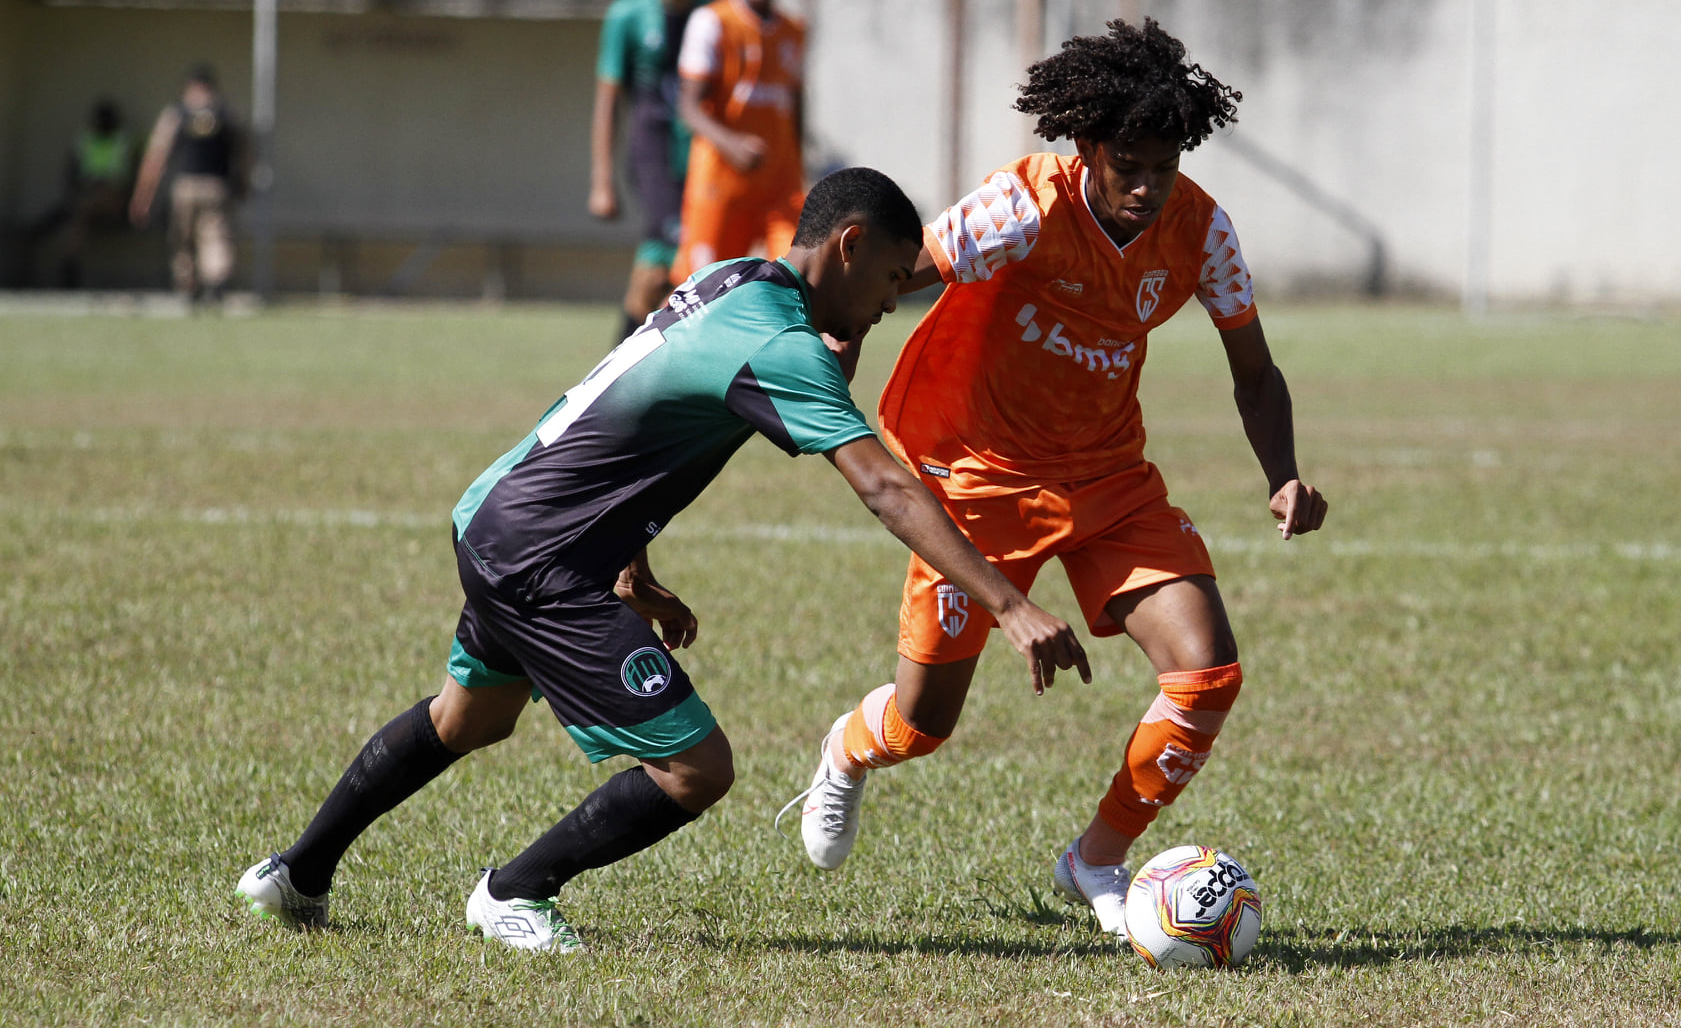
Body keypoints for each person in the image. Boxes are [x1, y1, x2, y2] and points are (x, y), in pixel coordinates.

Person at [232, 167, 1091, 954]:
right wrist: (1008, 605)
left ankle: (294, 875)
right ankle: (513, 892)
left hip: (500, 515)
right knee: (694, 768)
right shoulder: (781, 342)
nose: (892, 304)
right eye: (894, 281)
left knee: (470, 718)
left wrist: (632, 570)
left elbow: (624, 417)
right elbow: (887, 490)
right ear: (850, 245)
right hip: (541, 555)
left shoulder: (733, 280)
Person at [783, 19, 1328, 939]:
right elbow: (879, 279)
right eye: (1127, 164)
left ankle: (1096, 860)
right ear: (1085, 148)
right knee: (922, 726)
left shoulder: (1201, 232)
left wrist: (1282, 473)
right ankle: (845, 750)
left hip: (1108, 476)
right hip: (976, 477)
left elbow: (1253, 370)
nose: (1146, 186)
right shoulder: (1023, 209)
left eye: (1164, 163)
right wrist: (830, 349)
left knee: (1206, 675)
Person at [669, 0, 805, 285]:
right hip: (721, 183)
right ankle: (653, 330)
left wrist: (798, 162)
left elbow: (796, 107)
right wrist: (731, 145)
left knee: (799, 280)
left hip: (780, 185)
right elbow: (688, 106)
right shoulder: (713, 21)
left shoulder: (793, 30)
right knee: (704, 288)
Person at [590, 0, 702, 341]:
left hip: (704, 161)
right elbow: (607, 100)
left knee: (682, 272)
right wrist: (601, 181)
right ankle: (617, 368)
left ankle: (629, 369)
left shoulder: (712, 13)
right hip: (653, 159)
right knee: (662, 265)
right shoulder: (629, 15)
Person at [129, 63, 247, 305]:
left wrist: (142, 197)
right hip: (217, 187)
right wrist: (243, 182)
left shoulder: (176, 114)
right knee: (216, 236)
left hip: (185, 187)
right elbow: (245, 153)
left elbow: (156, 157)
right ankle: (215, 283)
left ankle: (187, 285)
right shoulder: (227, 114)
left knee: (183, 240)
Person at [29, 98, 135, 288]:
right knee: (77, 216)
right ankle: (70, 267)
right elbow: (71, 173)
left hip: (113, 199)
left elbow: (124, 179)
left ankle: (69, 265)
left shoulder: (122, 140)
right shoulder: (85, 139)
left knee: (79, 210)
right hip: (86, 197)